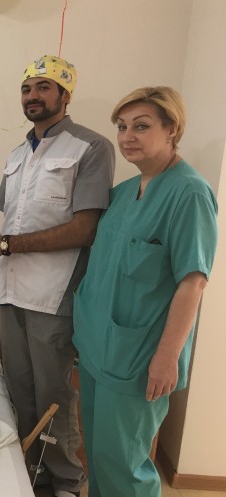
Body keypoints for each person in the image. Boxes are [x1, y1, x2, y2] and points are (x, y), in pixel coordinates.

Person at [0, 55, 115, 497]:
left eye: (43, 87)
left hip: (54, 295)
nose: (32, 96)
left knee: (54, 393)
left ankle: (67, 481)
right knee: (18, 390)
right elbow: (5, 229)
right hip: (9, 293)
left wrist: (7, 246)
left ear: (65, 95)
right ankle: (30, 475)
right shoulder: (17, 156)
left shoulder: (90, 147)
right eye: (26, 88)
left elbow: (85, 229)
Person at [73, 86, 217, 497]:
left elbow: (193, 281)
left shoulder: (189, 194)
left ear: (172, 130)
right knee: (98, 455)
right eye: (121, 127)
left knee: (124, 465)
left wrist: (167, 358)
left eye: (141, 126)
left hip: (138, 358)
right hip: (98, 348)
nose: (127, 137)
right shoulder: (122, 193)